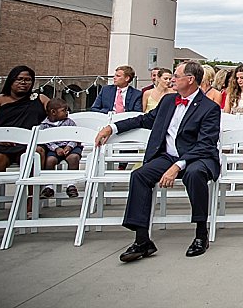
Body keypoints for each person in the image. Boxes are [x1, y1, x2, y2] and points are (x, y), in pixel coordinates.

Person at [94, 61, 221, 261]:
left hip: (197, 157)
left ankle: (201, 233)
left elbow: (205, 144)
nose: (172, 79)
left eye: (176, 76)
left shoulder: (210, 108)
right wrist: (112, 128)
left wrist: (177, 166)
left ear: (190, 79)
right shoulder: (168, 101)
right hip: (167, 156)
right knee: (139, 175)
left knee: (194, 173)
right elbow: (143, 120)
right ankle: (142, 240)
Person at [0, 66, 49, 221]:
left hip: (29, 143)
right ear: (11, 80)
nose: (24, 83)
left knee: (36, 154)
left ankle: (32, 199)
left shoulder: (40, 99)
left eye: (28, 80)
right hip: (1, 143)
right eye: (20, 79)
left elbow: (55, 113)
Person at [37, 98, 83, 199]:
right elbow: (46, 140)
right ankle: (48, 186)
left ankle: (71, 184)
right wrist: (56, 148)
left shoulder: (69, 122)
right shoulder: (44, 125)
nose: (66, 113)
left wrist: (69, 146)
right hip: (54, 148)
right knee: (50, 160)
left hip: (70, 147)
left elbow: (75, 136)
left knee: (74, 158)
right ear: (53, 112)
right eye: (63, 110)